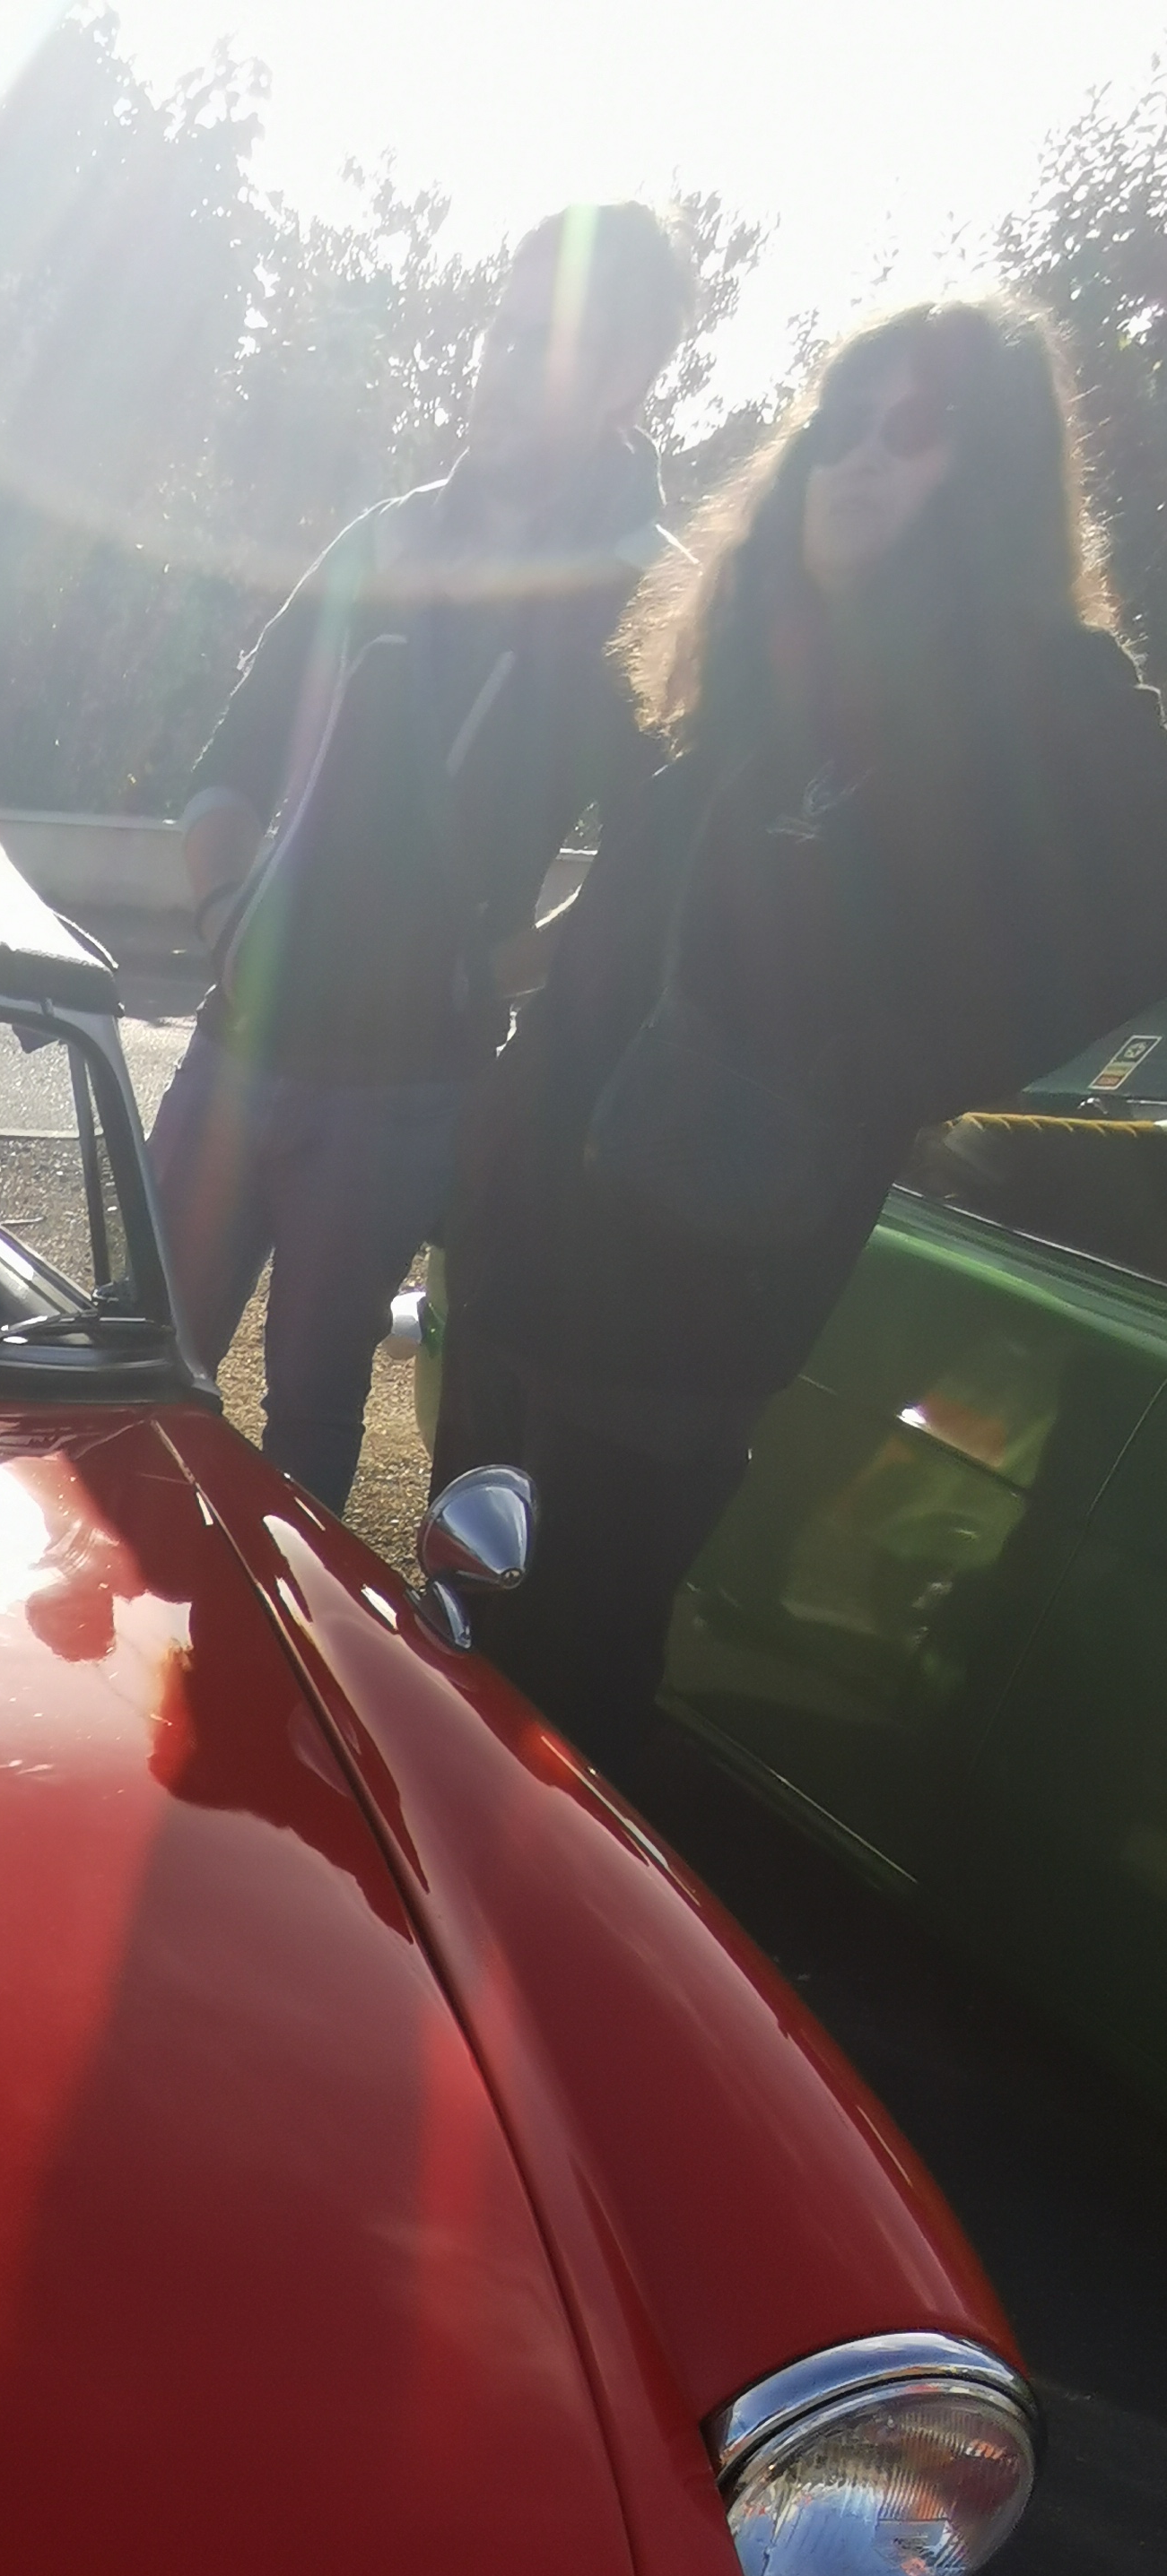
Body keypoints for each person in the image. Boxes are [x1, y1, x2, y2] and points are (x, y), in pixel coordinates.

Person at [438, 298, 1167, 1777]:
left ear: (995, 478)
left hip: (683, 1301)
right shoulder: (766, 680)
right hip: (525, 1248)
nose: (860, 458)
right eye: (840, 425)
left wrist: (886, 1068)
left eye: (918, 429)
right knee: (455, 1624)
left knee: (561, 1699)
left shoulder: (1019, 704)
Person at [144, 200, 694, 1514]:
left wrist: (492, 971)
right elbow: (225, 763)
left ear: (627, 375)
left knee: (310, 1417)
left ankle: (271, 1642)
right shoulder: (386, 538)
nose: (501, 367)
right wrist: (227, 923)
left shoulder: (651, 596)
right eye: (501, 332)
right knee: (133, 1377)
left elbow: (660, 873)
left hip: (403, 1095)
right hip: (235, 1048)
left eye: (546, 345)